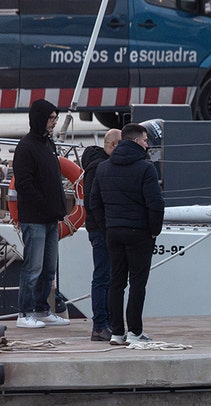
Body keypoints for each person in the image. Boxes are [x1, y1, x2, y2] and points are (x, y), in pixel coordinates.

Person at [88, 123, 165, 345]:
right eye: (145, 140)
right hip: (139, 232)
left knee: (116, 282)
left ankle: (116, 332)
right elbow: (156, 205)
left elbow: (94, 202)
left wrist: (107, 227)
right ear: (136, 141)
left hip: (113, 232)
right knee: (137, 283)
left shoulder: (103, 167)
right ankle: (135, 332)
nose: (147, 144)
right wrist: (154, 231)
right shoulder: (146, 168)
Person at [12, 99, 70, 328]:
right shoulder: (25, 147)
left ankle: (41, 309)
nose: (54, 122)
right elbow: (24, 184)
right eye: (51, 118)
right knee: (33, 268)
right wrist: (46, 206)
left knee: (49, 268)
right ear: (39, 119)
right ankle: (24, 313)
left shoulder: (48, 144)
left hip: (51, 217)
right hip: (34, 218)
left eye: (55, 118)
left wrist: (57, 209)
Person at [81, 128, 121, 340]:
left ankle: (108, 323)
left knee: (109, 276)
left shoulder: (103, 164)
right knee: (103, 276)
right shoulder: (98, 167)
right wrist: (106, 227)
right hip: (101, 230)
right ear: (113, 145)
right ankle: (100, 325)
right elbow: (92, 201)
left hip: (105, 228)